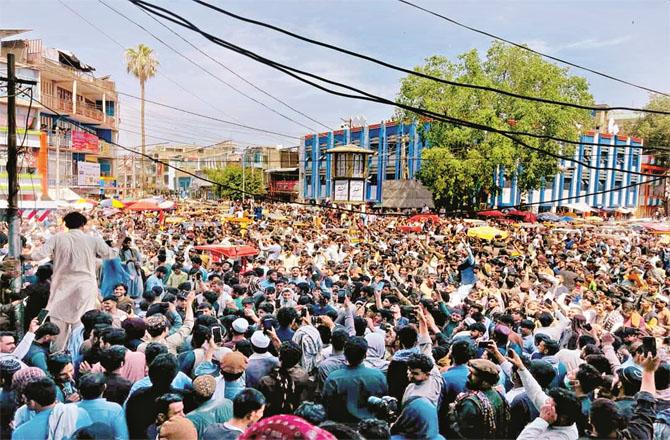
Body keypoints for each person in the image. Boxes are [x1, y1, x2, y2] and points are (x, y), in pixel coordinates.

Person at [26, 211, 119, 350]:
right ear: (83, 224)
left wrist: (21, 257)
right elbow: (111, 253)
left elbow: (38, 255)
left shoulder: (57, 238)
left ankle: (57, 358)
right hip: (85, 287)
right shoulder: (92, 240)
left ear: (66, 224)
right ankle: (78, 356)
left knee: (58, 328)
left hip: (62, 287)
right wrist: (119, 243)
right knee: (81, 325)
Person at [322, 336, 388, 423]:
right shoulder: (379, 376)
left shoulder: (334, 378)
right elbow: (384, 402)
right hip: (370, 428)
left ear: (345, 355)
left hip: (341, 428)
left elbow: (326, 404)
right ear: (365, 355)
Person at [12, 377, 92, 440]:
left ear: (32, 403)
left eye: (25, 398)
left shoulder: (20, 433)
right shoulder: (81, 413)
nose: (24, 401)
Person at [450, 358, 510, 439]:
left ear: (484, 382)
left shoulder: (470, 404)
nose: (468, 375)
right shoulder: (498, 395)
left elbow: (461, 434)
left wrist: (452, 413)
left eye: (472, 374)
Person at [76, 373, 129, 440]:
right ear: (104, 387)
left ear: (79, 392)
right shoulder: (115, 409)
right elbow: (122, 437)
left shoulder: (72, 409)